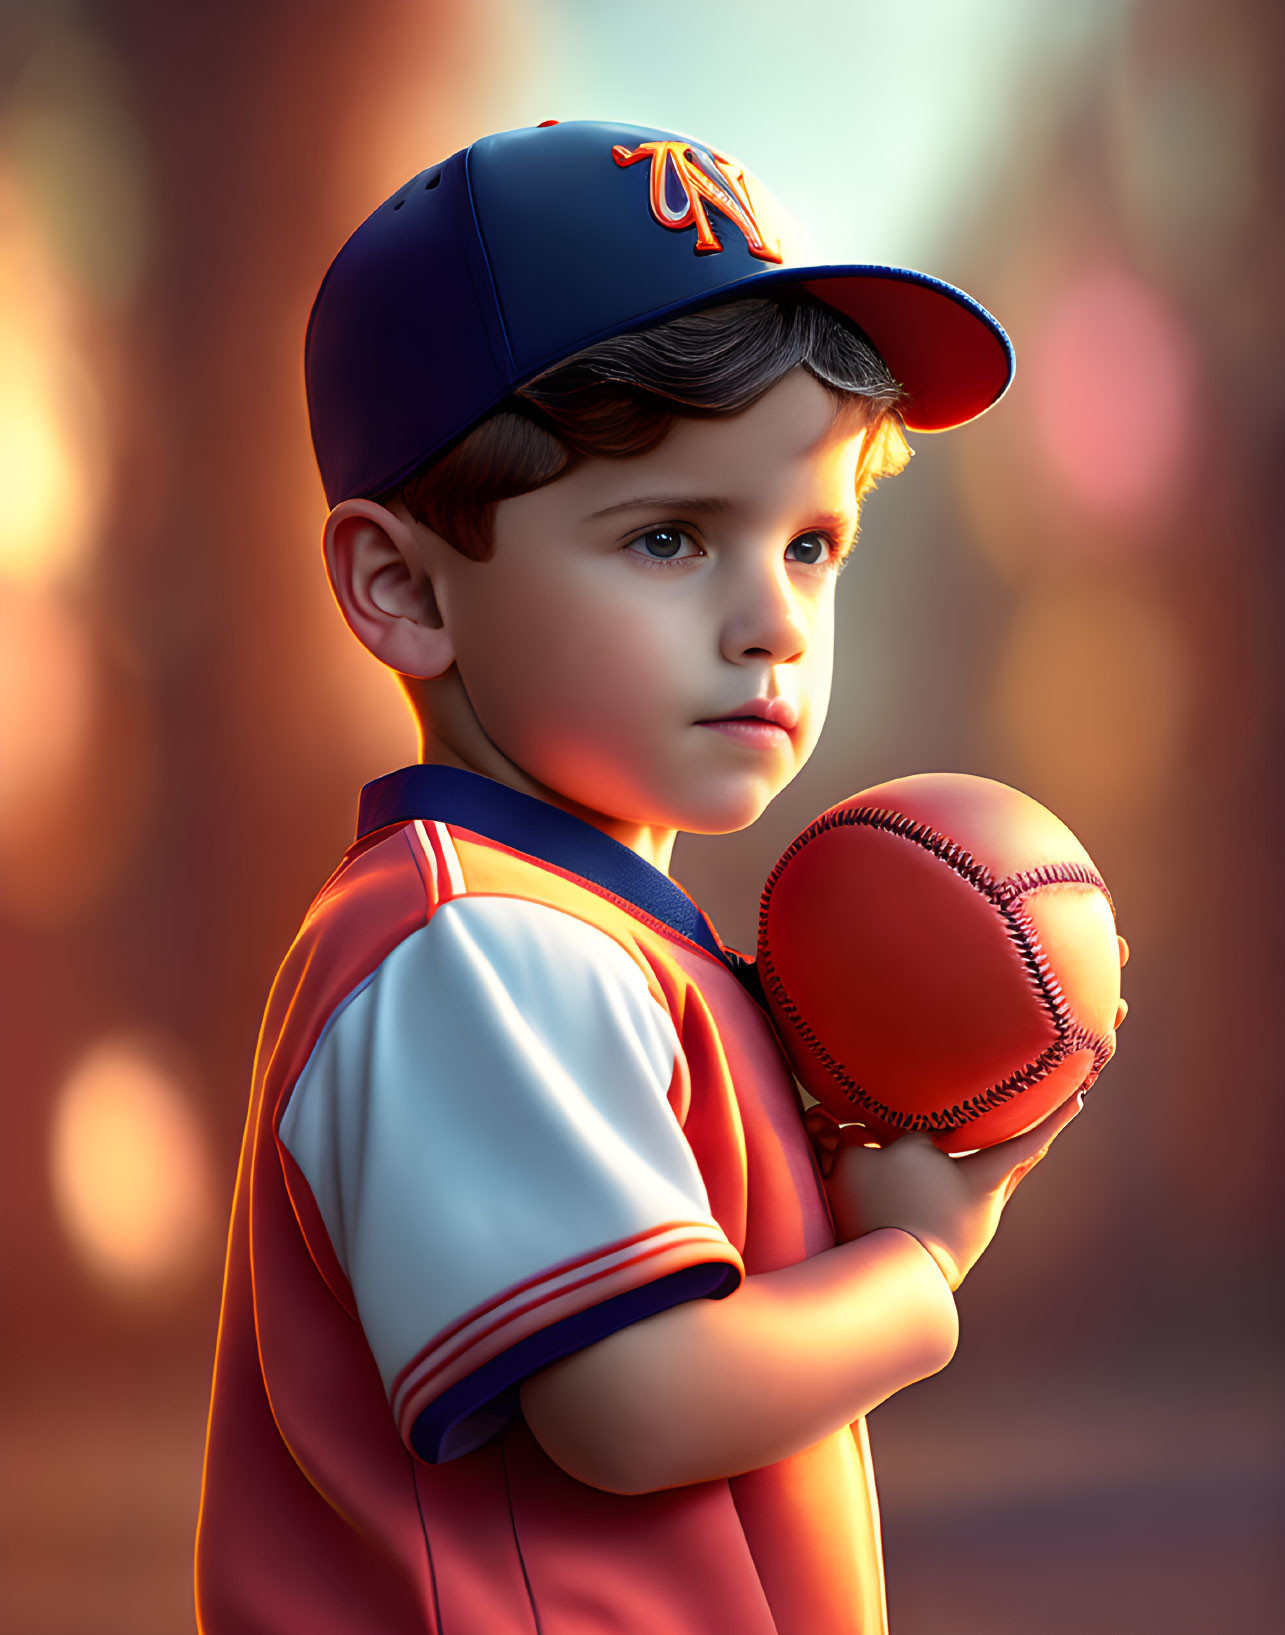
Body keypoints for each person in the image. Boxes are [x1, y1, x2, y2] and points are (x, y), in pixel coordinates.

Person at [194, 120, 1124, 1635]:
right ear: (403, 587)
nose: (770, 619)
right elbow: (630, 1406)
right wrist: (913, 1263)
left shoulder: (600, 940)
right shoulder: (473, 945)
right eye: (672, 536)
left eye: (812, 542)